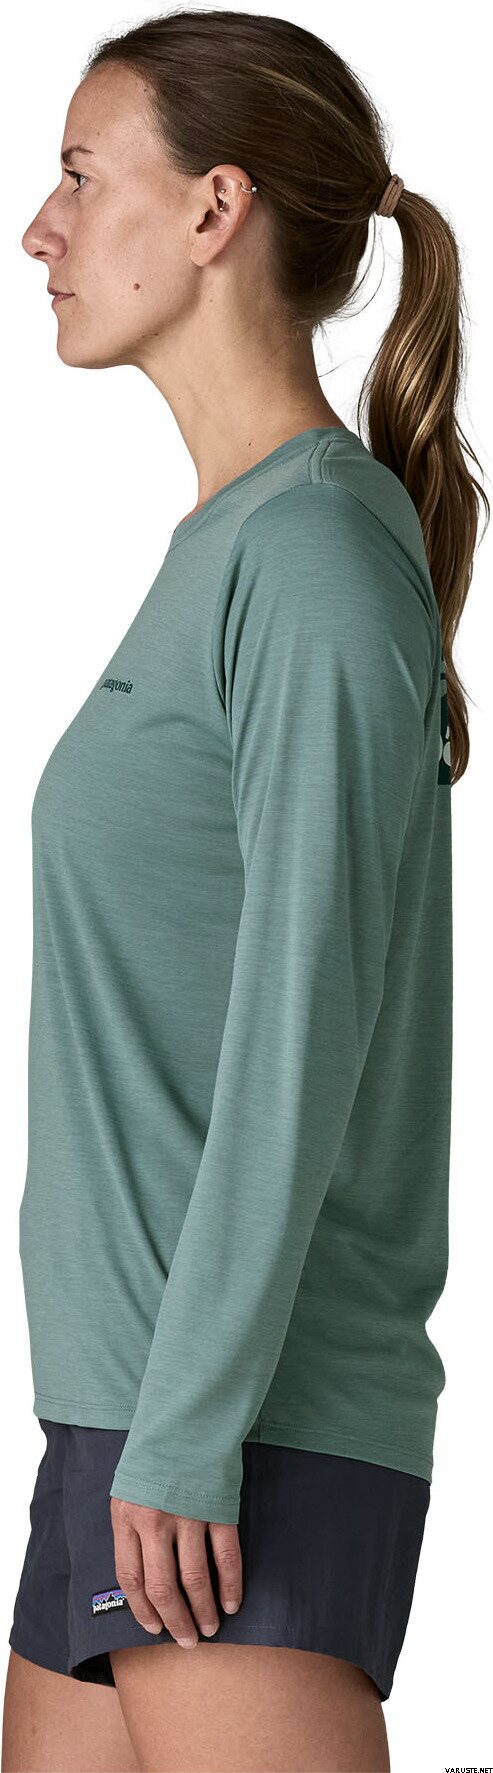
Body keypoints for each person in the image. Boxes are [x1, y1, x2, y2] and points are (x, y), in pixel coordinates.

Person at [2, 10, 487, 1773]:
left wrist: (191, 1429)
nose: (40, 228)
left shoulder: (311, 558)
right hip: (132, 1418)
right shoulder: (231, 548)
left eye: (79, 175)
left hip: (235, 1436)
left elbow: (299, 1034)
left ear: (214, 210)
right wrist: (147, 1424)